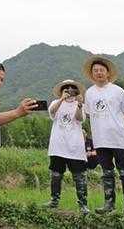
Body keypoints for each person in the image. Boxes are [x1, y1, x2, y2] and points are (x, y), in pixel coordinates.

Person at [83, 56, 124, 215]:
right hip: (100, 139)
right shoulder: (89, 92)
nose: (98, 73)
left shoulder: (118, 90)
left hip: (118, 137)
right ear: (92, 74)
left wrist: (115, 121)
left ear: (107, 73)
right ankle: (109, 204)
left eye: (101, 70)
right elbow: (88, 113)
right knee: (106, 172)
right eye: (95, 71)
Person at [44, 79, 89, 214]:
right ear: (62, 91)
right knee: (56, 174)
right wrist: (61, 100)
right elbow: (52, 112)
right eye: (66, 89)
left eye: (72, 88)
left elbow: (80, 119)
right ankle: (54, 201)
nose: (69, 91)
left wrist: (80, 105)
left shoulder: (80, 104)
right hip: (58, 145)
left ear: (77, 91)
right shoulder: (55, 103)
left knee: (79, 176)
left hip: (75, 145)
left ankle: (83, 204)